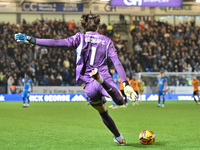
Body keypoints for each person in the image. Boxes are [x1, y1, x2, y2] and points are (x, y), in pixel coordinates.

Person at [14, 11, 137, 146]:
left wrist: (30, 39)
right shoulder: (107, 41)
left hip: (88, 83)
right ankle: (102, 81)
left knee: (102, 112)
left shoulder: (79, 38)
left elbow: (55, 43)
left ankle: (119, 138)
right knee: (120, 101)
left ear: (84, 26)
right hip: (104, 77)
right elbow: (117, 62)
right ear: (98, 26)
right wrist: (125, 83)